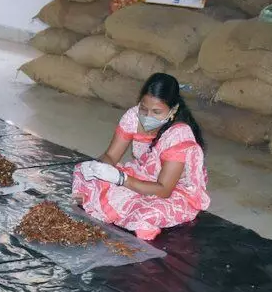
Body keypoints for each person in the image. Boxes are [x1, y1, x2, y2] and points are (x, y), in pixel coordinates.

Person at [73, 73, 210, 240]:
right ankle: (107, 200)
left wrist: (121, 179)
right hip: (141, 175)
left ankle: (127, 212)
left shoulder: (179, 135)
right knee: (83, 172)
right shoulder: (133, 117)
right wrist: (98, 167)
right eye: (144, 109)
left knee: (146, 214)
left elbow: (163, 190)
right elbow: (110, 155)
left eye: (157, 112)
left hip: (171, 189)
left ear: (173, 110)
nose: (148, 117)